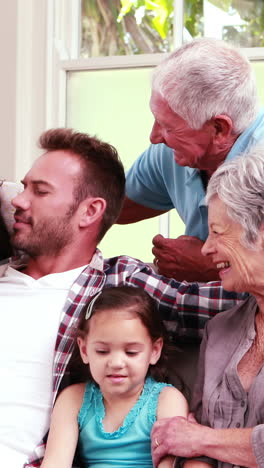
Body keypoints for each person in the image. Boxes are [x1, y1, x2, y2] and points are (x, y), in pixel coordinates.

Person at [0, 127, 242, 468]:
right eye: (24, 188)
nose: (19, 201)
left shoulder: (119, 283)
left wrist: (208, 261)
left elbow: (240, 295)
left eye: (40, 191)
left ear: (90, 211)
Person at [151, 147, 264, 468]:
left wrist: (201, 439)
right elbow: (193, 443)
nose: (206, 247)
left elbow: (196, 437)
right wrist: (194, 444)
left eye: (217, 232)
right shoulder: (219, 331)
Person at [117, 38, 264, 282]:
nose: (154, 137)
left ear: (219, 128)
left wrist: (213, 265)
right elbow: (114, 207)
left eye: (167, 127)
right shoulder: (172, 152)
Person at [40, 286, 189, 468]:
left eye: (131, 352)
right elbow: (55, 463)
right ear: (85, 349)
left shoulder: (166, 400)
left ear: (154, 351)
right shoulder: (73, 399)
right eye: (102, 351)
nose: (116, 363)